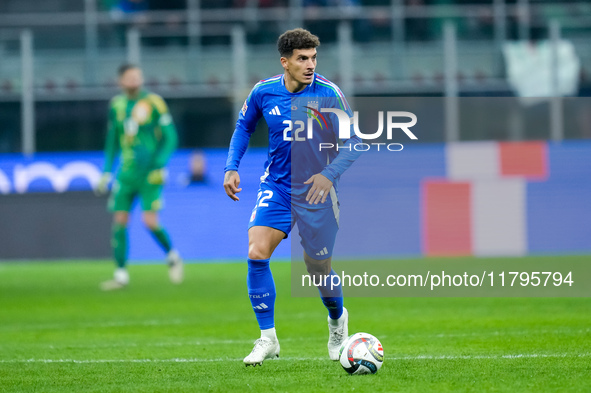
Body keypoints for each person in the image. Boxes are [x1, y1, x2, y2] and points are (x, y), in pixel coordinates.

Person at [223, 28, 361, 366]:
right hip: (279, 187)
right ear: (285, 62)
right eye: (302, 58)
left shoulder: (329, 94)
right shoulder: (264, 92)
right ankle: (267, 338)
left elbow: (354, 142)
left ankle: (337, 320)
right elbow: (243, 127)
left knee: (317, 268)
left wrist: (328, 176)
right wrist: (231, 167)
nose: (310, 64)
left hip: (317, 191)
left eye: (314, 57)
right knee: (256, 251)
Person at [95, 64, 183, 290]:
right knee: (120, 222)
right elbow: (112, 141)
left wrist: (160, 163)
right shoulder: (117, 105)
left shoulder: (154, 103)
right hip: (126, 174)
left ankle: (172, 255)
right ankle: (121, 274)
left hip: (149, 174)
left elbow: (170, 137)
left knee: (150, 221)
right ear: (121, 81)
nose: (135, 80)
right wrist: (106, 171)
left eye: (138, 76)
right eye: (130, 77)